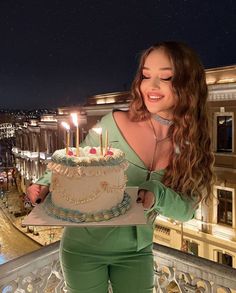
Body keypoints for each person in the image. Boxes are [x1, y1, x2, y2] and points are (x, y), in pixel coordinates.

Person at [27, 41, 214, 293]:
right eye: (146, 75)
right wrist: (44, 182)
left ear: (188, 85)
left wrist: (157, 194)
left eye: (166, 77)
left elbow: (187, 211)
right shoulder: (113, 124)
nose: (152, 86)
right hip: (83, 249)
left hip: (136, 253)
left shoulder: (192, 146)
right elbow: (76, 161)